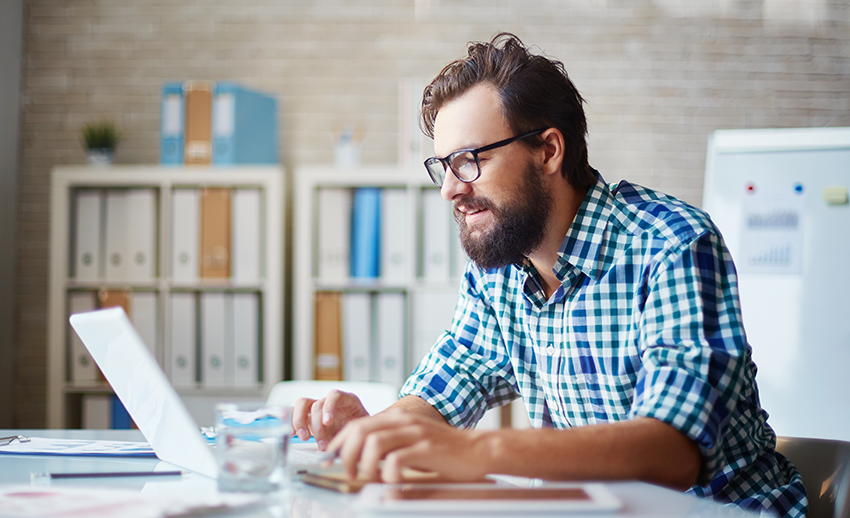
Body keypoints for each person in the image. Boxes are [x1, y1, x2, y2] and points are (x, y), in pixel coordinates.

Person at [292, 33, 807, 517]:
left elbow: (672, 453)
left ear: (549, 151)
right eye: (443, 166)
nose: (450, 188)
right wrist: (376, 434)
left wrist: (478, 451)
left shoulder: (672, 244)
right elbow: (444, 393)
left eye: (469, 160)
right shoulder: (501, 267)